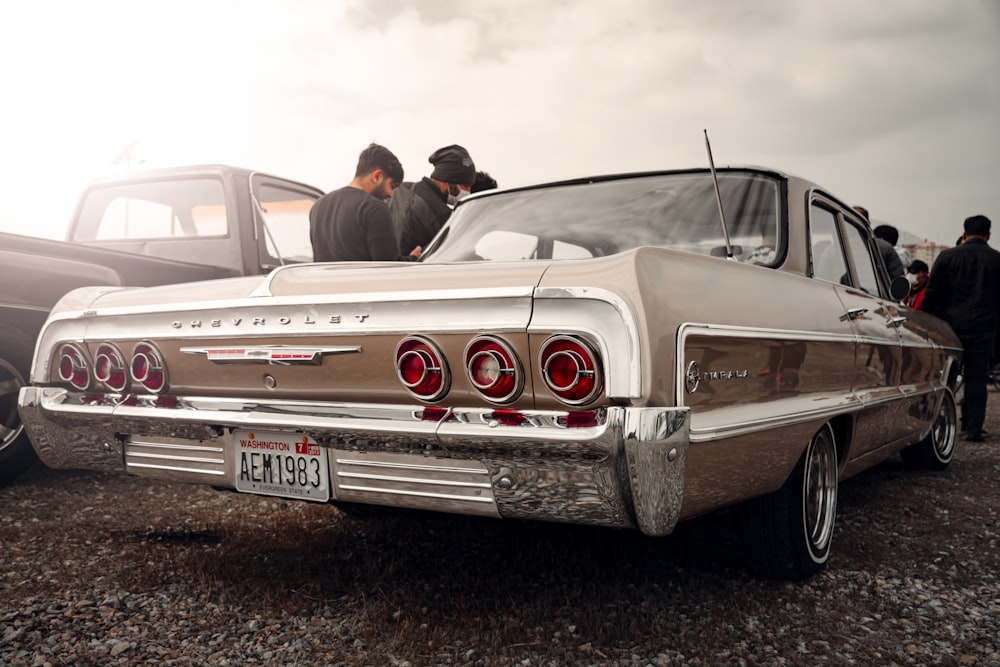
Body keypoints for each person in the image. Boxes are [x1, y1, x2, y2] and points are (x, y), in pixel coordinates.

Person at [922, 214, 1000, 442]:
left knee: (945, 377)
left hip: (950, 328)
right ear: (988, 235)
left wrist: (926, 325)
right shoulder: (997, 260)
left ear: (964, 234)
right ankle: (973, 428)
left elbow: (932, 295)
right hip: (984, 329)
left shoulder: (946, 257)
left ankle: (940, 425)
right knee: (977, 378)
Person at [310, 143, 416, 262]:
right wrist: (413, 259)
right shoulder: (375, 208)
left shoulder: (318, 206)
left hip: (324, 281)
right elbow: (387, 266)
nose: (391, 195)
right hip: (359, 281)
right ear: (377, 176)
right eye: (392, 186)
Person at [391, 145, 476, 256]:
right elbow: (463, 254)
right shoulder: (442, 216)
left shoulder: (400, 190)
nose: (468, 190)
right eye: (465, 185)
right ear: (447, 181)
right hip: (416, 271)